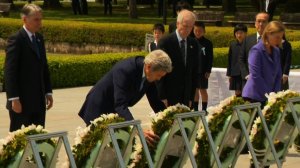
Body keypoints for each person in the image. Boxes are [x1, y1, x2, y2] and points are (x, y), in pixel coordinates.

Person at [78, 50, 171, 124]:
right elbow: (120, 104)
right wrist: (137, 129)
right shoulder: (126, 70)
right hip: (98, 107)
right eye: (159, 75)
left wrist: (169, 119)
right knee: (100, 146)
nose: (159, 79)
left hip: (114, 109)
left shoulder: (150, 74)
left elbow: (155, 101)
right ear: (148, 67)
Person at [4, 4, 53, 132]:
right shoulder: (16, 39)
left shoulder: (39, 39)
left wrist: (48, 92)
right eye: (36, 19)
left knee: (38, 139)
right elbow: (10, 71)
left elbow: (43, 67)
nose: (39, 23)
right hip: (21, 102)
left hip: (38, 101)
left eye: (40, 19)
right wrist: (14, 98)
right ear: (25, 19)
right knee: (19, 141)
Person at [157, 10, 199, 108]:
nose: (188, 29)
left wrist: (191, 97)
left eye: (191, 27)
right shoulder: (165, 42)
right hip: (169, 94)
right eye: (185, 26)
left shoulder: (193, 44)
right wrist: (162, 96)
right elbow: (159, 70)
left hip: (186, 96)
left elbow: (194, 72)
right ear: (177, 24)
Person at [242, 21, 284, 108]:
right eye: (277, 37)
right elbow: (255, 75)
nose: (280, 40)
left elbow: (278, 74)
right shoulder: (256, 50)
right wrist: (268, 95)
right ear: (268, 34)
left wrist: (275, 95)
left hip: (270, 97)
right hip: (254, 96)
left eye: (281, 37)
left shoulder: (276, 51)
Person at [239, 12, 269, 91]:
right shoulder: (247, 40)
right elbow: (241, 59)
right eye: (259, 21)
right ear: (255, 23)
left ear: (268, 24)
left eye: (264, 21)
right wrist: (246, 75)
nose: (261, 24)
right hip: (249, 82)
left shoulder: (273, 40)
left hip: (267, 82)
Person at [192, 21, 213, 112]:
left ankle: (204, 109)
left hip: (203, 71)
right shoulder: (190, 41)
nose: (198, 32)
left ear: (204, 31)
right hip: (193, 70)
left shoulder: (208, 43)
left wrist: (208, 70)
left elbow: (210, 58)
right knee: (195, 90)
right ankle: (195, 109)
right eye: (196, 30)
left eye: (200, 31)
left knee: (202, 90)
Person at [227, 24, 248, 97]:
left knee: (246, 92)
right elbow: (230, 59)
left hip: (246, 73)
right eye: (237, 33)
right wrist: (229, 74)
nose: (239, 35)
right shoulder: (232, 44)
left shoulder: (249, 44)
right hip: (235, 73)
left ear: (245, 33)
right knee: (237, 93)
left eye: (241, 33)